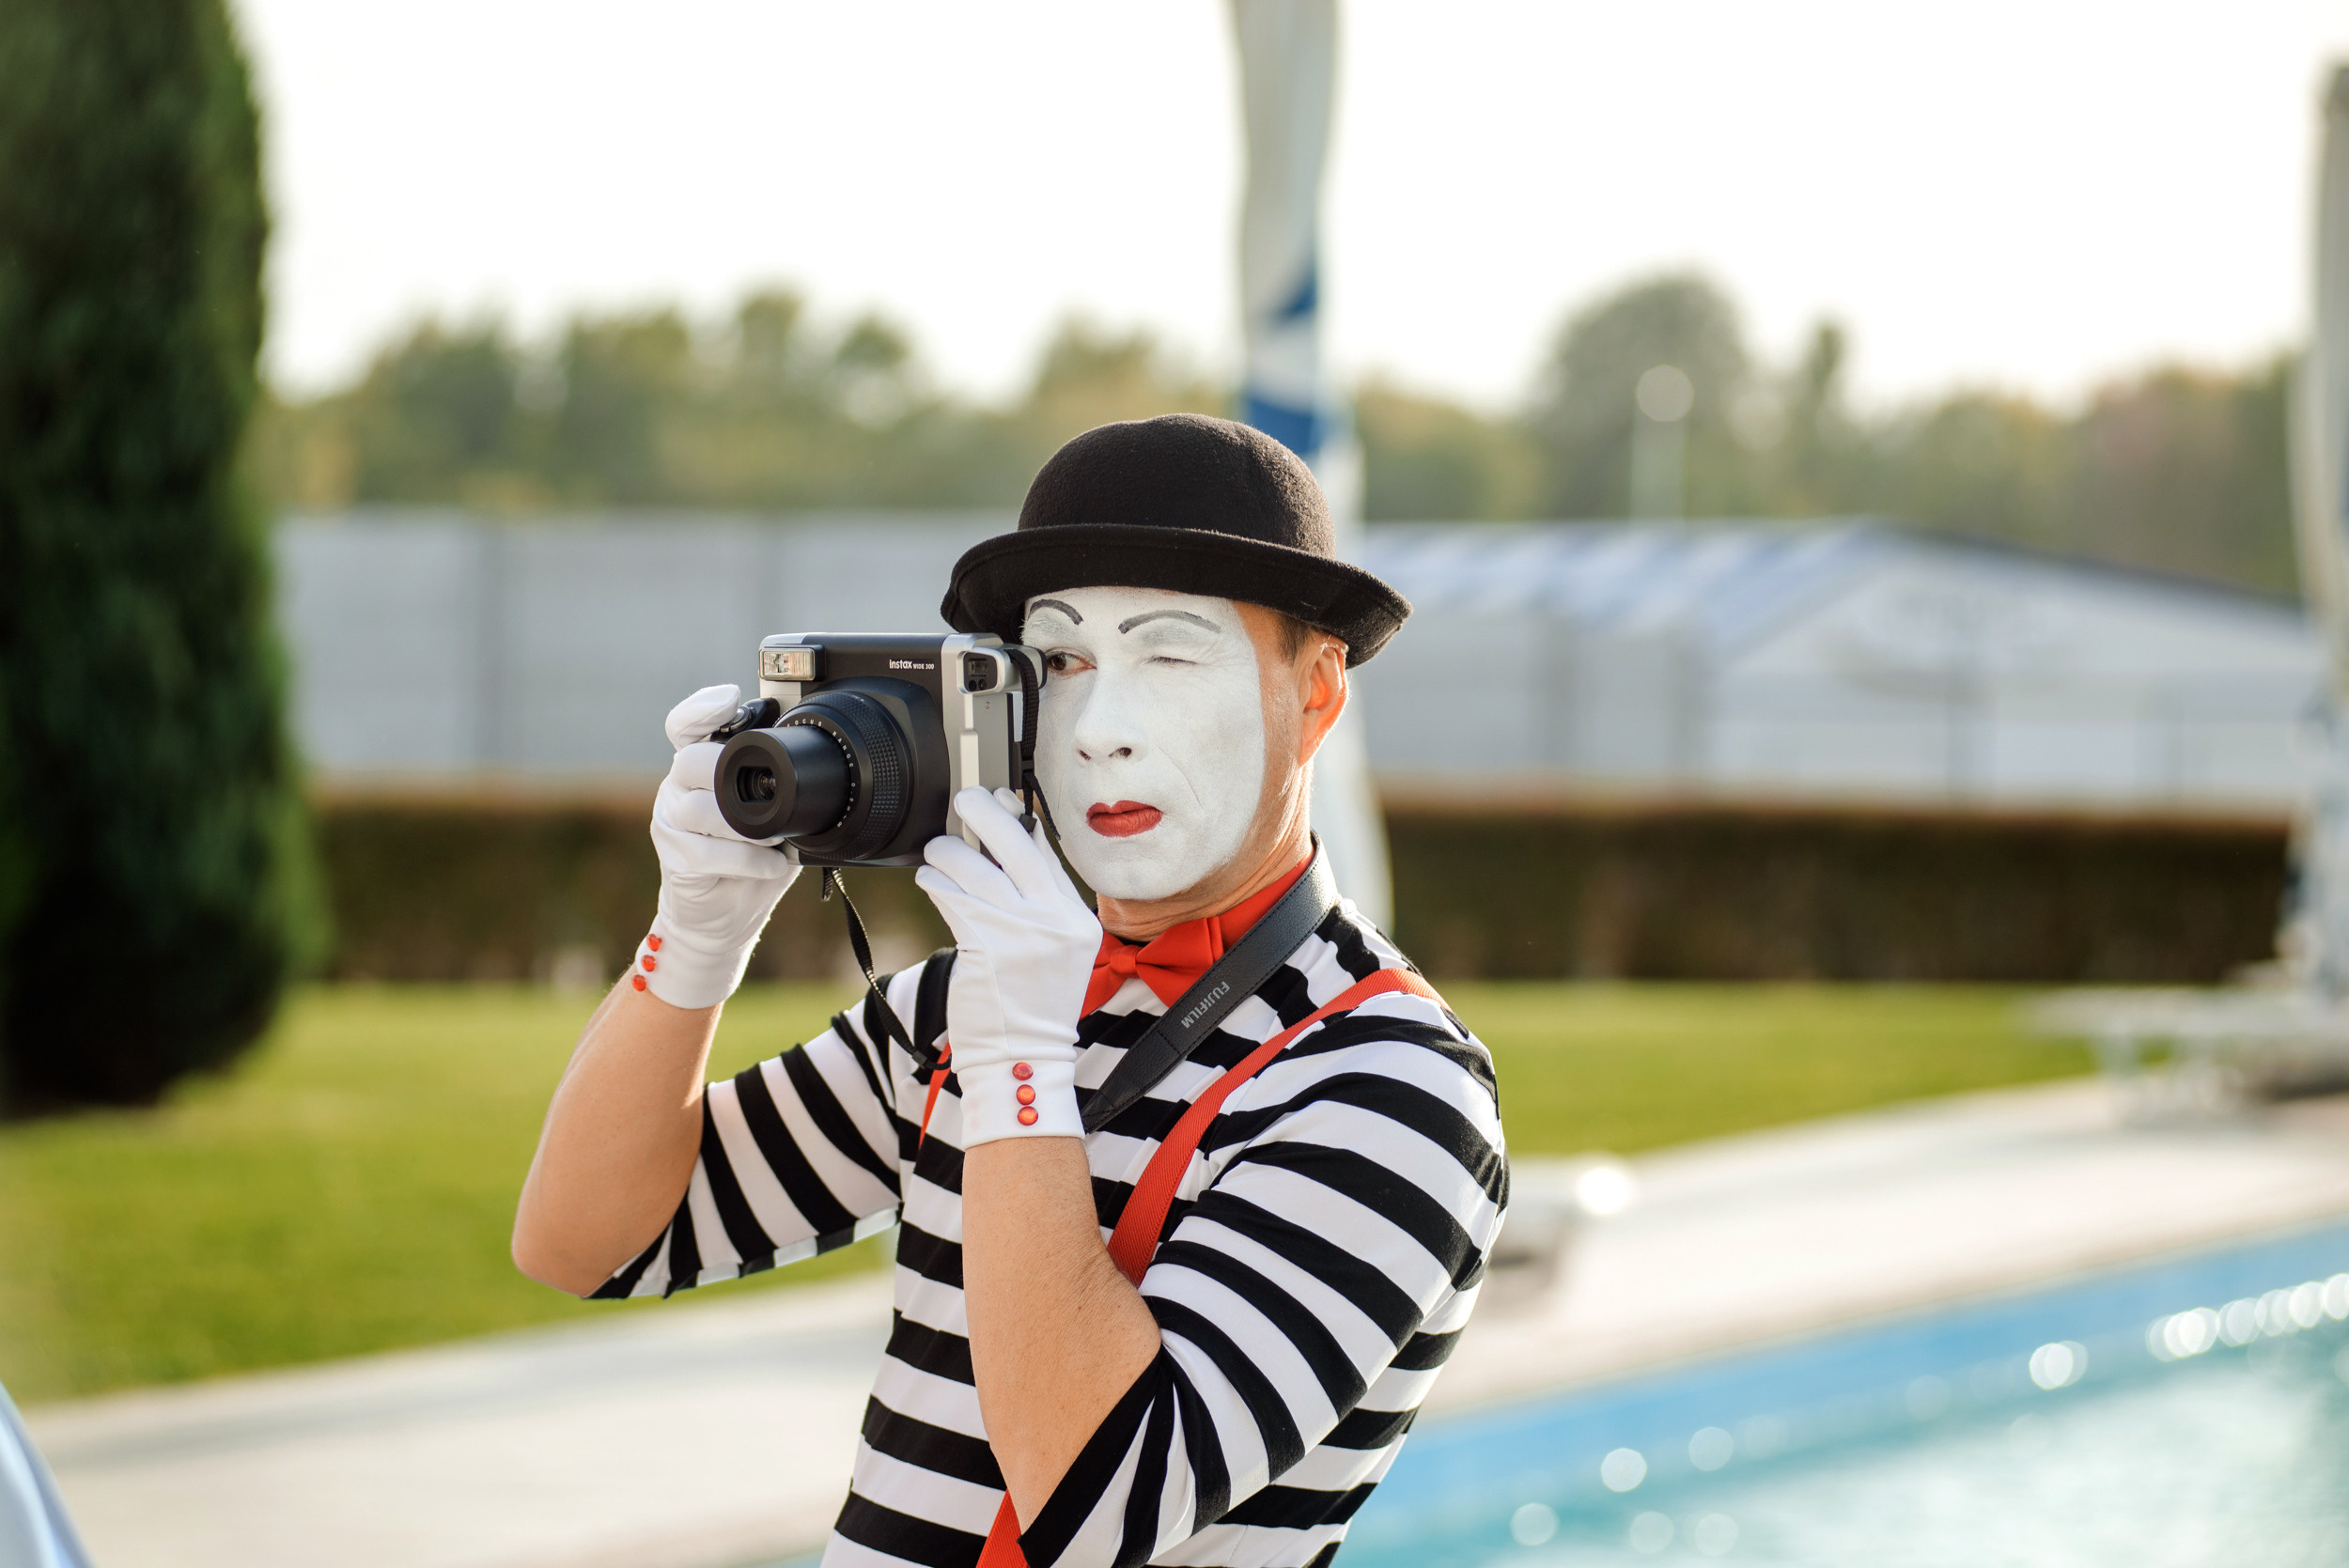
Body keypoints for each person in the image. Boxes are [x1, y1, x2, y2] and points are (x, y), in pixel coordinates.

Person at [513, 413, 1508, 1568]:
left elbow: (1101, 1502)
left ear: (1318, 691)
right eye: (1064, 663)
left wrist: (1021, 1064)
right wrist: (689, 944)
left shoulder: (1392, 1083)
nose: (1101, 733)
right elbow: (587, 1243)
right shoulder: (966, 1004)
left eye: (1171, 655)